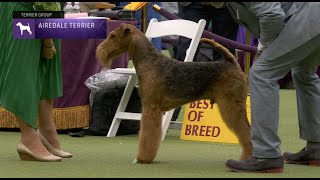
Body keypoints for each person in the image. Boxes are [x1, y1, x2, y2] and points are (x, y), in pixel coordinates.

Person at [206, 2, 320, 173]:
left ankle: (266, 155)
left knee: (262, 74)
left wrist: (263, 47)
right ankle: (316, 148)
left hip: (310, 17)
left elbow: (272, 15)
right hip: (312, 16)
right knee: (304, 74)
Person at [0, 2, 72, 162]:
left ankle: (46, 130)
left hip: (50, 10)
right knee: (24, 70)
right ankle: (28, 139)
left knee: (48, 68)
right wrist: (47, 41)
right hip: (26, 8)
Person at [171, 2, 240, 121]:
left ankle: (223, 119)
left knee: (225, 60)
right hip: (192, 4)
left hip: (227, 5)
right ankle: (169, 115)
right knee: (183, 58)